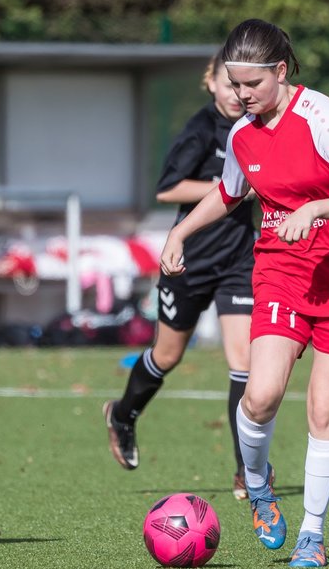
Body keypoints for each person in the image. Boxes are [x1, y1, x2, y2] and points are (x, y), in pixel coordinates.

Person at [158, 19, 329, 569]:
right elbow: (229, 192)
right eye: (234, 85)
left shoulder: (321, 116)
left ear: (279, 72)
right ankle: (260, 486)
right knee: (259, 395)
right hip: (283, 271)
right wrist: (180, 231)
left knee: (322, 407)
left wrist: (314, 208)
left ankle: (312, 532)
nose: (240, 96)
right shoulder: (242, 133)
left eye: (251, 85)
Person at [103, 55, 259, 501]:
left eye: (241, 84)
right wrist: (230, 188)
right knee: (167, 355)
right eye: (227, 84)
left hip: (239, 260)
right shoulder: (200, 130)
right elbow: (168, 188)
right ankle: (122, 415)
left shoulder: (254, 127)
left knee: (244, 362)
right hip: (188, 260)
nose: (236, 93)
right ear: (209, 83)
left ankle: (245, 470)